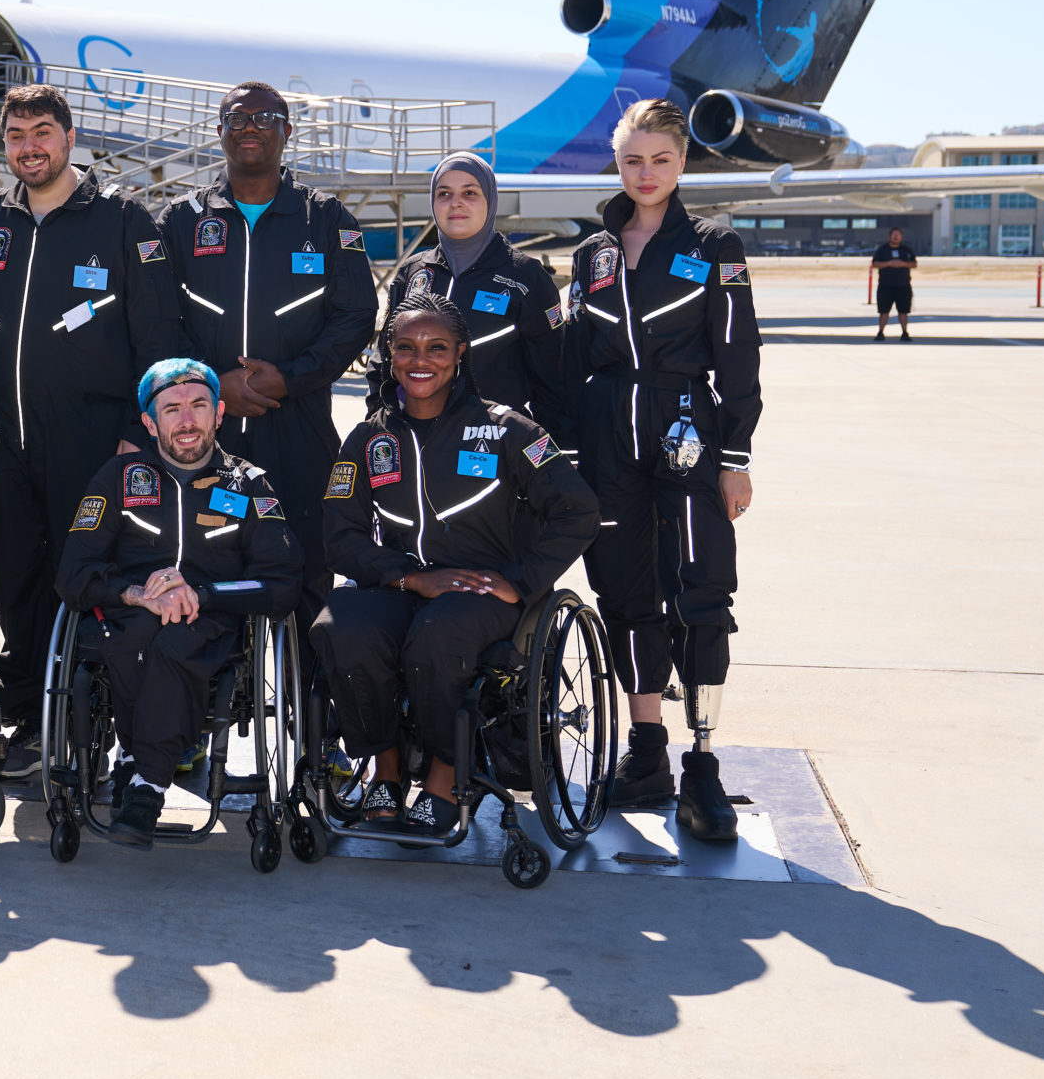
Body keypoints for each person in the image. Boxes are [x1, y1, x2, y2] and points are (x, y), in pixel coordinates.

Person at [0, 82, 188, 776]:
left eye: (41, 131)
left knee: (85, 579)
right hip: (4, 443)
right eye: (16, 135)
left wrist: (139, 438)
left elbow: (159, 336)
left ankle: (86, 721)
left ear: (69, 137)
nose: (29, 147)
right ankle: (28, 717)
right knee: (16, 576)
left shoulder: (123, 222)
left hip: (95, 444)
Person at [310, 301, 597, 832]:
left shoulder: (511, 430)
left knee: (438, 635)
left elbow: (578, 511)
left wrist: (521, 582)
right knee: (340, 627)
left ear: (461, 354)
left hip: (481, 590)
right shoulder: (368, 439)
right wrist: (408, 576)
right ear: (389, 356)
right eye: (406, 348)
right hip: (401, 581)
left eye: (437, 348)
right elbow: (340, 537)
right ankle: (387, 769)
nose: (421, 360)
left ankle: (447, 772)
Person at [560, 98, 762, 842]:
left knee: (700, 591)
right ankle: (647, 753)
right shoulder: (593, 255)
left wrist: (734, 458)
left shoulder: (715, 244)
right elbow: (573, 358)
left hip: (686, 428)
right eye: (631, 160)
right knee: (623, 589)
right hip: (607, 431)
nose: (645, 174)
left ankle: (702, 765)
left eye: (660, 159)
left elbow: (740, 355)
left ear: (683, 163)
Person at [57, 359, 303, 847]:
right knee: (140, 636)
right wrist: (135, 594)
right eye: (171, 409)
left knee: (175, 641)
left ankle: (145, 780)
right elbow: (73, 574)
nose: (186, 420)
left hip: (212, 621)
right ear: (150, 423)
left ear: (220, 413)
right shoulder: (118, 478)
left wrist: (203, 595)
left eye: (198, 406)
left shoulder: (249, 484)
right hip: (128, 618)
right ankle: (142, 760)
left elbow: (282, 583)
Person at [158, 81, 375, 629]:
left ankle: (313, 713)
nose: (249, 127)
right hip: (207, 436)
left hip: (299, 430)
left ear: (287, 131)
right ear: (219, 131)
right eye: (237, 117)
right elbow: (156, 320)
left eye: (264, 117)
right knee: (208, 577)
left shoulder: (326, 220)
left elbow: (354, 317)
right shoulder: (179, 222)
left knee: (305, 580)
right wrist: (210, 384)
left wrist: (291, 379)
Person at [382, 150, 570, 437]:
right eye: (444, 193)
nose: (455, 202)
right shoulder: (413, 272)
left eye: (470, 193)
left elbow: (552, 378)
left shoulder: (526, 277)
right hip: (417, 439)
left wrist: (542, 459)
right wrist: (382, 423)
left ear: (490, 200)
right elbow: (384, 362)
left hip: (495, 444)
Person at [871, 227, 918, 341]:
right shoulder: (882, 250)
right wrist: (889, 263)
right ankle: (881, 332)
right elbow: (875, 263)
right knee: (883, 311)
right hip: (885, 286)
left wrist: (902, 264)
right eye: (894, 235)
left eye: (898, 235)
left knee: (903, 311)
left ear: (901, 237)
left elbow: (914, 264)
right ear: (889, 236)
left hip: (903, 286)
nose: (896, 237)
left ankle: (904, 332)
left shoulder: (906, 250)